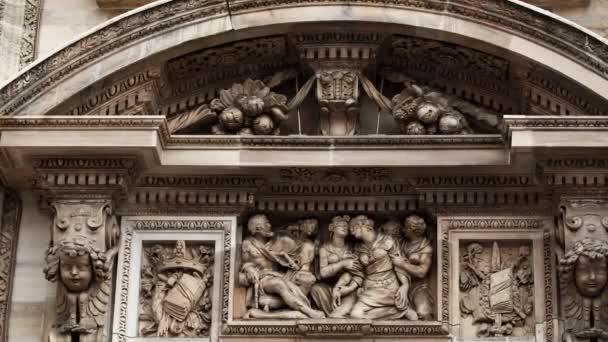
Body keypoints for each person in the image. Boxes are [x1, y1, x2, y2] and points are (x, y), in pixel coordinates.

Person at [239, 214, 325, 319]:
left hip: (280, 275)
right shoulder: (248, 243)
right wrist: (249, 268)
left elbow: (298, 246)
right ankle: (309, 311)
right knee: (279, 283)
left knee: (308, 279)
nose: (270, 225)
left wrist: (308, 234)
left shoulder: (278, 239)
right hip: (263, 278)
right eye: (266, 223)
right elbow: (244, 264)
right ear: (258, 228)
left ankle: (282, 306)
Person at [348, 215, 412, 319]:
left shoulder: (387, 240)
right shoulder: (358, 248)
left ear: (361, 225)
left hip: (389, 286)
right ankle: (398, 312)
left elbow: (399, 263)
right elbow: (356, 272)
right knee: (355, 315)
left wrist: (405, 285)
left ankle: (400, 311)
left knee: (356, 315)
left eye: (353, 228)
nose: (351, 232)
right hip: (369, 288)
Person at [310, 215, 363, 317]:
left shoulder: (352, 248)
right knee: (316, 289)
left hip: (347, 289)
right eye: (341, 225)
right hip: (329, 289)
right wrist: (343, 263)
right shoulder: (324, 248)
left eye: (346, 226)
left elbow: (358, 272)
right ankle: (332, 312)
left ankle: (338, 313)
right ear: (331, 228)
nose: (345, 227)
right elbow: (323, 272)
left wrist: (343, 288)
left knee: (340, 313)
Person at [392, 214, 435, 320]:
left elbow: (422, 272)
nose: (403, 230)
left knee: (424, 313)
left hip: (418, 287)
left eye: (405, 227)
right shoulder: (402, 243)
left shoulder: (425, 247)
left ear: (411, 229)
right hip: (398, 283)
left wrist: (402, 264)